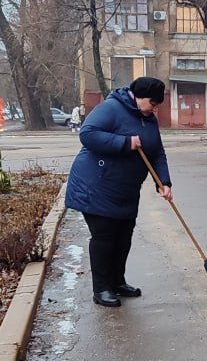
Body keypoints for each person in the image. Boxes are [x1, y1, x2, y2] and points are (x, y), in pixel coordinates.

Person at [65, 76, 173, 308]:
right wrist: (124, 142)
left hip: (125, 190)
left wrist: (164, 182)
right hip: (97, 185)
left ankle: (117, 282)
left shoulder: (147, 119)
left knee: (123, 237)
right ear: (140, 97)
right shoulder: (111, 108)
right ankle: (102, 288)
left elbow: (157, 152)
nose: (154, 109)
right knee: (105, 237)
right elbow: (87, 134)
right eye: (152, 103)